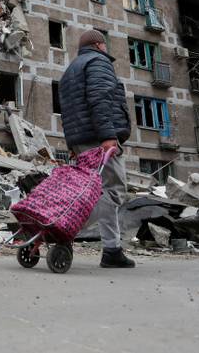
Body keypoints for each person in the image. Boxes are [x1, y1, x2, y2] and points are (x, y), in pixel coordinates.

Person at [59, 29, 135, 268]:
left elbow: (67, 111)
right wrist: (108, 136)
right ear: (99, 45)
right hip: (99, 138)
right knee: (112, 192)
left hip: (81, 141)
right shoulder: (98, 62)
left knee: (98, 193)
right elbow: (100, 98)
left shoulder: (70, 70)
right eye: (106, 44)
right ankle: (62, 228)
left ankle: (112, 249)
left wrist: (72, 144)